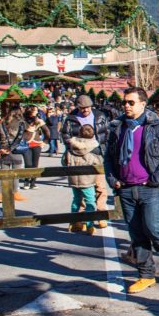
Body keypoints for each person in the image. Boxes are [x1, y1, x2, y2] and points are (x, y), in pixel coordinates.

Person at [103, 87, 159, 294]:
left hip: (150, 188)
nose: (126, 106)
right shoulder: (118, 127)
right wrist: (112, 179)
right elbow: (109, 157)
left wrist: (156, 179)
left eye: (131, 102)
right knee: (137, 234)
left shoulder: (158, 126)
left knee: (153, 228)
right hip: (126, 188)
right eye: (125, 102)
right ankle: (146, 275)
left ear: (143, 104)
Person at [62, 94, 110, 229]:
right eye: (83, 108)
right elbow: (65, 134)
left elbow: (107, 132)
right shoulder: (71, 119)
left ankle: (101, 215)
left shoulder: (100, 115)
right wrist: (73, 145)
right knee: (81, 189)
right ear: (78, 107)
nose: (86, 110)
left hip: (97, 152)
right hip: (78, 154)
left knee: (100, 186)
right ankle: (80, 219)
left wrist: (103, 147)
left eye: (88, 108)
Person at [64, 124, 102, 234]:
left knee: (76, 200)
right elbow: (98, 164)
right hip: (88, 180)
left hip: (74, 178)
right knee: (90, 202)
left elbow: (64, 161)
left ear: (79, 133)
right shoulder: (93, 148)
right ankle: (89, 225)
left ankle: (74, 222)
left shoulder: (71, 147)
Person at [0, 107, 27, 202]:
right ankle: (15, 193)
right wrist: (10, 149)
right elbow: (19, 137)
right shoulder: (21, 123)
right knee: (15, 174)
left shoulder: (3, 123)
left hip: (3, 151)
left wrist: (1, 149)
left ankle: (1, 195)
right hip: (15, 151)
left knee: (4, 174)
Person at [21, 105, 50, 190]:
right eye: (35, 110)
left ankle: (33, 182)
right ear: (30, 111)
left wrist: (44, 142)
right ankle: (26, 181)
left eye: (37, 111)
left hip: (37, 144)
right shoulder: (23, 120)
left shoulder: (39, 120)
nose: (37, 112)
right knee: (28, 164)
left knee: (35, 164)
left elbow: (47, 131)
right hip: (26, 144)